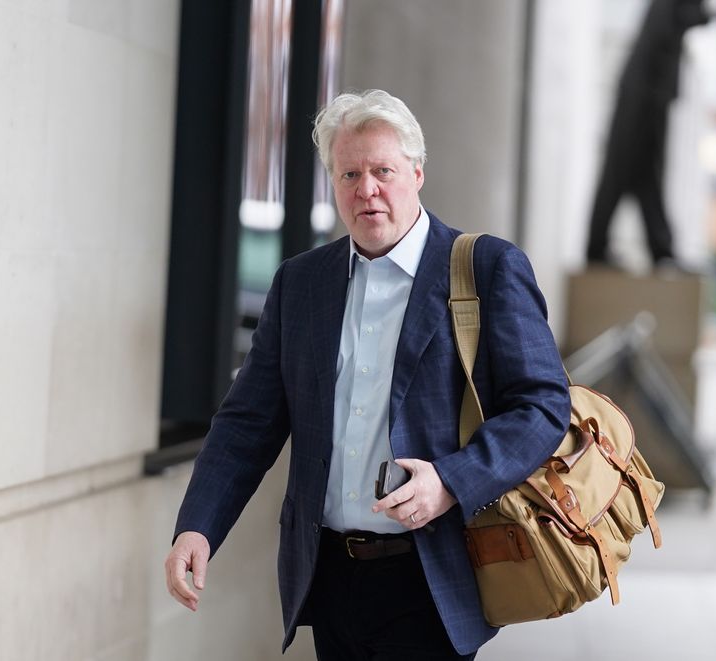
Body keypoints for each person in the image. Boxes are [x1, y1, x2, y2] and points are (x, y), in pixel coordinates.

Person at [164, 89, 570, 659]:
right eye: (349, 174)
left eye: (383, 171)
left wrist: (450, 482)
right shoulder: (300, 284)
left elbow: (543, 407)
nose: (367, 189)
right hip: (327, 575)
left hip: (430, 577)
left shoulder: (487, 268)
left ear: (417, 173)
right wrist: (198, 526)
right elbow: (247, 422)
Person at [586, 0, 716, 268]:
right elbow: (685, 15)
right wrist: (711, 14)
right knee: (621, 172)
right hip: (645, 97)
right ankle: (601, 247)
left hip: (648, 94)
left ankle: (658, 249)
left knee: (645, 176)